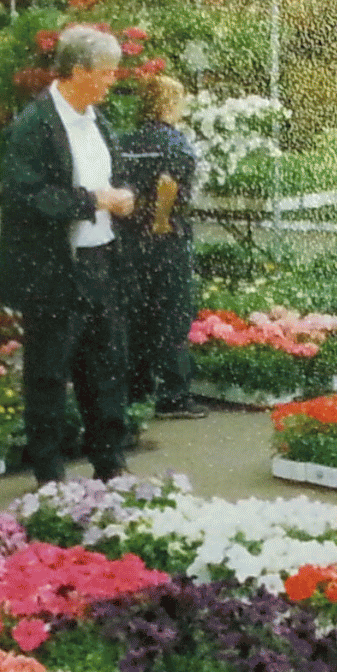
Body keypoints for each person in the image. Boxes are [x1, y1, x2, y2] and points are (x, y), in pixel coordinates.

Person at [0, 25, 136, 484]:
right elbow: (25, 196)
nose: (114, 79)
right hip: (54, 267)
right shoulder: (33, 126)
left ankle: (110, 463)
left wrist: (123, 195)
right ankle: (50, 474)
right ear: (78, 71)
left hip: (100, 259)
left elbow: (113, 177)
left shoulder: (98, 122)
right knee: (50, 372)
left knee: (105, 366)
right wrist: (93, 200)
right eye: (107, 71)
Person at [114, 75, 207, 418]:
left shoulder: (126, 141)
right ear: (169, 103)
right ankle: (174, 395)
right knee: (172, 315)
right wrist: (161, 220)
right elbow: (168, 182)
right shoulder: (174, 142)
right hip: (165, 240)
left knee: (137, 315)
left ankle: (137, 390)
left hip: (129, 238)